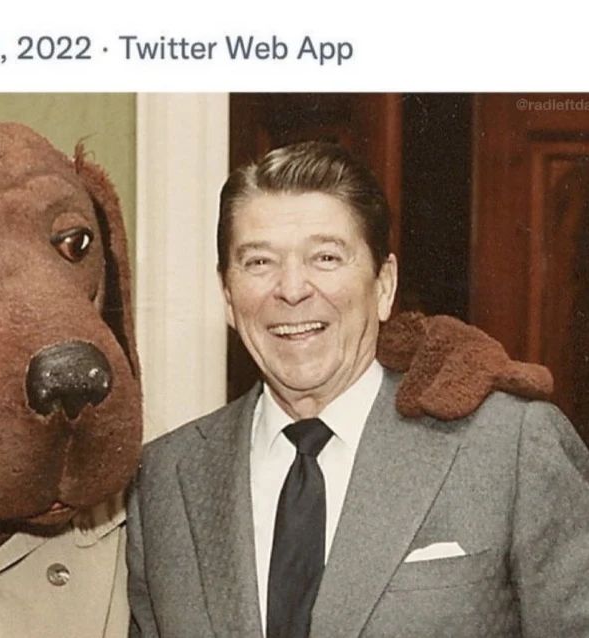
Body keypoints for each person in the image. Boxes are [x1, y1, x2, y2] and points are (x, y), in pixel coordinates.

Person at [126, 140, 589, 637]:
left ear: (383, 285)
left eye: (326, 257)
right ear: (227, 296)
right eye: (259, 262)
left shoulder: (509, 448)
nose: (292, 289)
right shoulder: (164, 482)